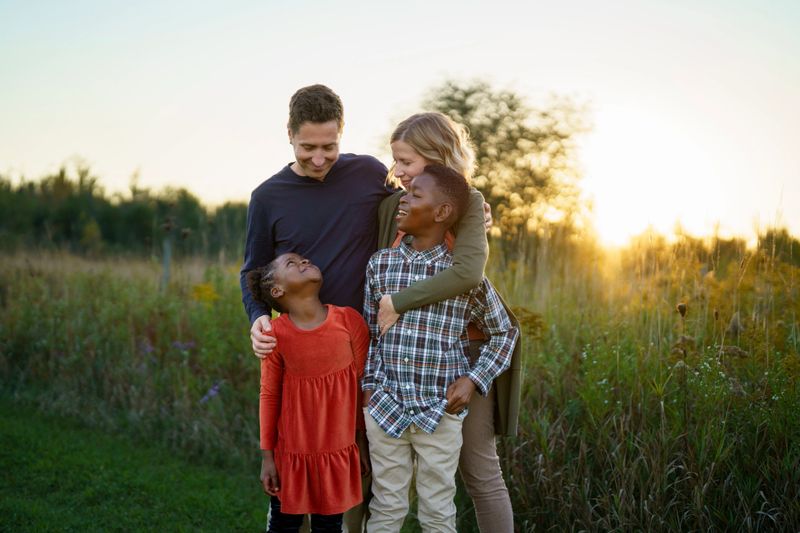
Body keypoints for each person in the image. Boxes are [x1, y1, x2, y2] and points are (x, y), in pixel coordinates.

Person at [240, 85, 494, 532]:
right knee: (301, 451)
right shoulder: (268, 197)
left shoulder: (367, 174)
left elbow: (422, 205)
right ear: (289, 135)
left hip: (367, 342)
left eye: (330, 146)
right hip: (304, 348)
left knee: (356, 460)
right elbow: (253, 271)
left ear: (342, 134)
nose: (319, 158)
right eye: (308, 148)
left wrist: (474, 209)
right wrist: (258, 317)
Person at [377, 112, 522, 533]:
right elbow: (378, 271)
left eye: (407, 161)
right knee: (388, 479)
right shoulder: (390, 206)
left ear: (438, 157)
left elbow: (468, 273)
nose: (398, 172)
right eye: (396, 161)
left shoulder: (470, 203)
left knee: (479, 471)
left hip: (464, 351)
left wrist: (398, 302)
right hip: (402, 356)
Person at [247, 252, 371, 533]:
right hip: (290, 457)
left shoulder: (349, 321)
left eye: (304, 260)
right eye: (292, 264)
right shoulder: (275, 334)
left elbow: (364, 385)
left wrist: (361, 441)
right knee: (283, 526)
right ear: (277, 290)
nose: (304, 263)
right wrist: (268, 458)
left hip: (338, 452)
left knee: (329, 527)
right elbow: (269, 396)